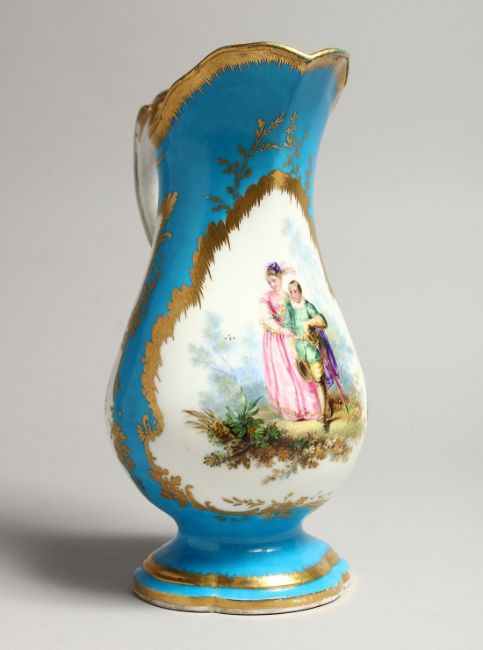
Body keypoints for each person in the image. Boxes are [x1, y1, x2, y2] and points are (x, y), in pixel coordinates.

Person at [259, 263, 321, 421]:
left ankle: (309, 408)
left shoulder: (287, 295)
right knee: (285, 373)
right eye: (269, 282)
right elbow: (266, 318)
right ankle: (293, 409)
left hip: (290, 336)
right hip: (276, 339)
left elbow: (295, 312)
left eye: (274, 280)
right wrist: (281, 329)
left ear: (280, 278)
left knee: (298, 368)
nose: (272, 284)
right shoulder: (266, 297)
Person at [283, 280, 333, 428]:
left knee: (319, 380)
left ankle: (323, 416)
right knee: (307, 382)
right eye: (290, 292)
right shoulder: (289, 307)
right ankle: (319, 409)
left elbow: (322, 321)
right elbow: (287, 326)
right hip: (299, 351)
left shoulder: (307, 306)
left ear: (300, 291)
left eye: (295, 291)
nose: (293, 294)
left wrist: (309, 323)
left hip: (312, 350)